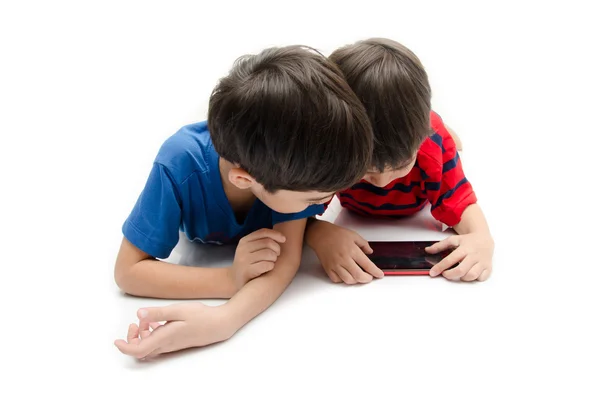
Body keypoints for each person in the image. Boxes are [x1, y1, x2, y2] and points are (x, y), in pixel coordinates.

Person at [114, 45, 373, 358]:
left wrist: (225, 318)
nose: (327, 202)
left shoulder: (297, 163)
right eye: (316, 199)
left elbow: (284, 262)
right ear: (246, 180)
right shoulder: (179, 163)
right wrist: (229, 279)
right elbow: (128, 272)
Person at [306, 38, 494, 285]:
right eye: (367, 171)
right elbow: (294, 207)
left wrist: (481, 237)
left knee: (441, 135)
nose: (382, 182)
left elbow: (459, 202)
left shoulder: (430, 146)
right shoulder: (332, 150)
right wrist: (317, 232)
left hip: (430, 132)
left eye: (400, 165)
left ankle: (440, 124)